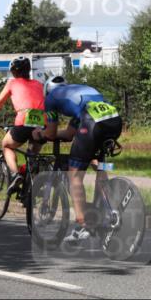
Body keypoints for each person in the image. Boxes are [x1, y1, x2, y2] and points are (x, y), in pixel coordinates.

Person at [42, 76, 123, 243]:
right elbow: (70, 133)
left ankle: (81, 225)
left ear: (48, 90)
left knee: (75, 176)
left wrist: (40, 134)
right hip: (114, 120)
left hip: (92, 122)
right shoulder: (78, 93)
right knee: (97, 163)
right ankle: (107, 205)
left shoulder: (50, 98)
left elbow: (50, 133)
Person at [0, 57, 46, 194]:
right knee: (32, 155)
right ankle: (33, 185)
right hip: (41, 122)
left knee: (6, 145)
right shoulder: (39, 84)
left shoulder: (12, 83)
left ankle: (16, 174)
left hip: (23, 119)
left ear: (13, 72)